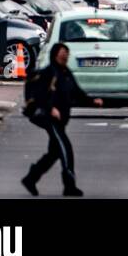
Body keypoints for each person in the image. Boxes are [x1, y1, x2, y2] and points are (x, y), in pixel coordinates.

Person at [21, 42, 103, 197]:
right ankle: (69, 185)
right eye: (62, 53)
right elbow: (40, 95)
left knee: (54, 153)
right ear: (55, 55)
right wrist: (50, 108)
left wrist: (93, 101)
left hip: (61, 120)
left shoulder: (66, 73)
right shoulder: (49, 73)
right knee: (65, 148)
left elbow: (77, 94)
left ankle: (31, 178)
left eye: (67, 53)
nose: (65, 55)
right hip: (49, 119)